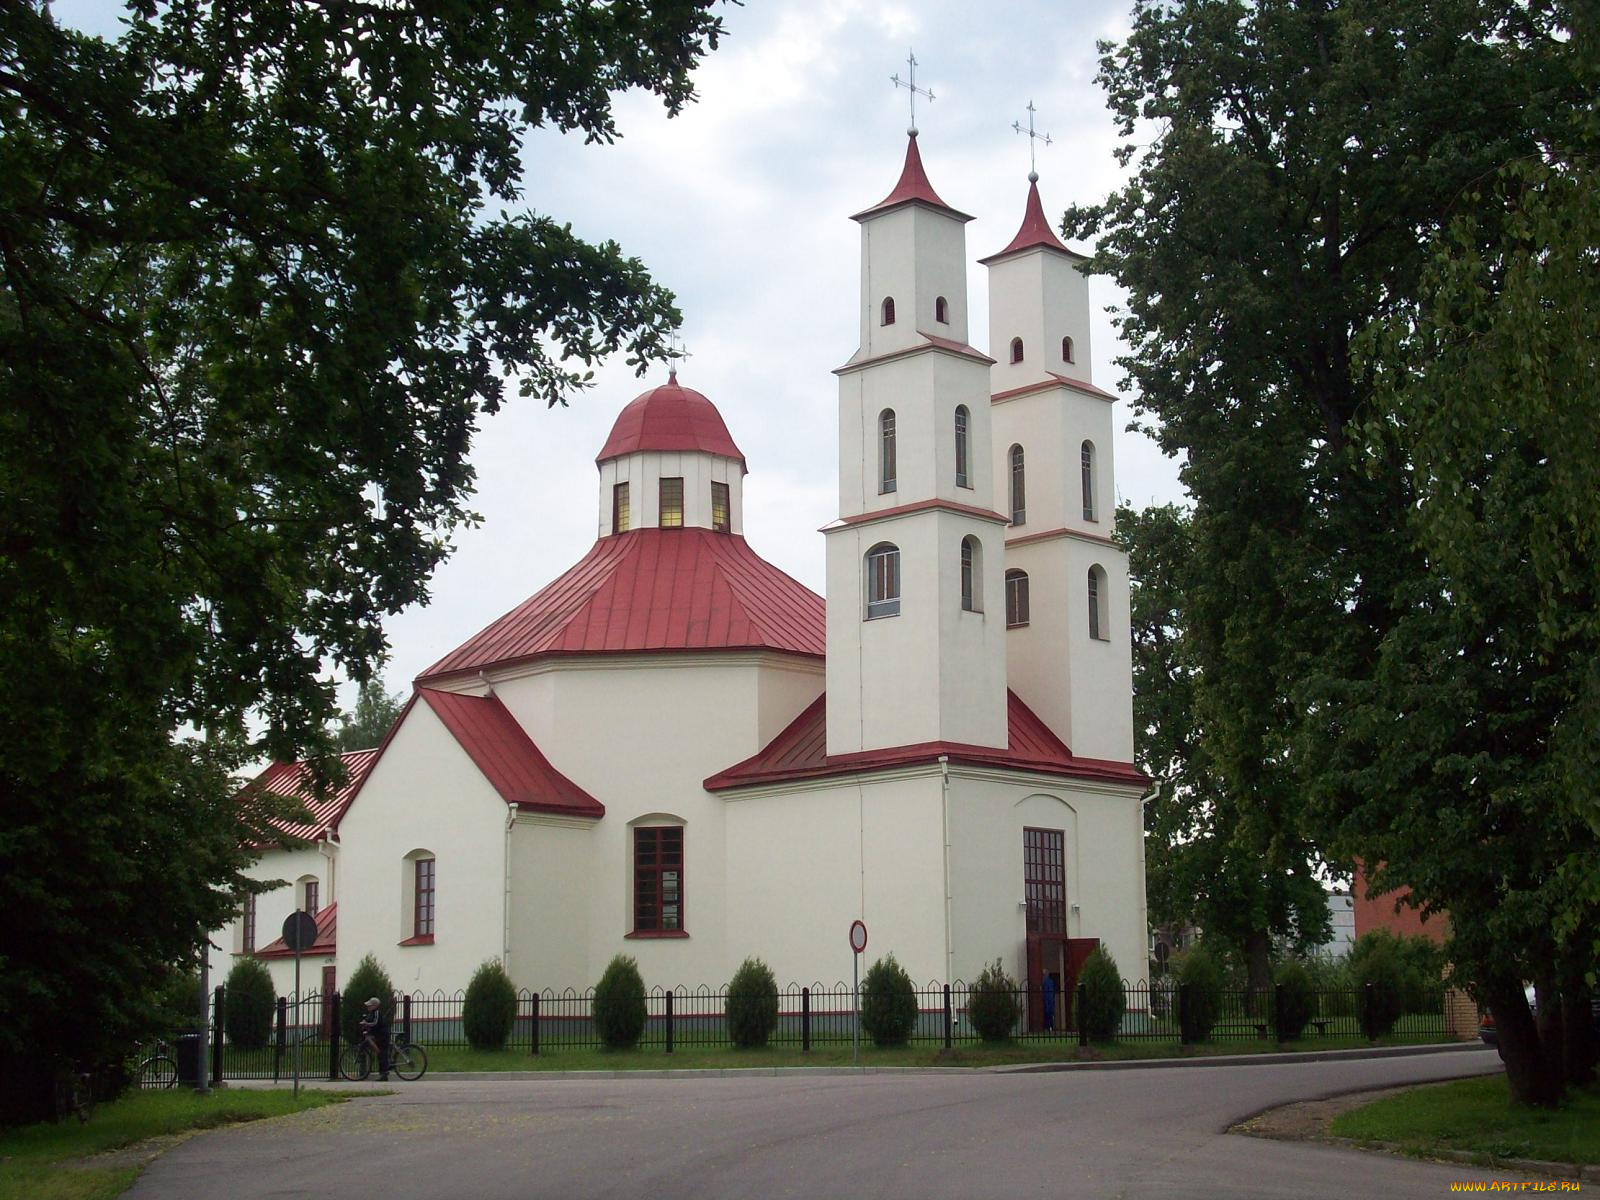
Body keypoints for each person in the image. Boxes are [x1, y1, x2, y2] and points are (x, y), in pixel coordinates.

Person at [359, 996, 390, 1081]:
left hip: (382, 1035)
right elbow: (371, 1024)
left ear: (375, 1006)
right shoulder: (371, 1014)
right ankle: (383, 1073)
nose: (368, 1007)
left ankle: (384, 1074)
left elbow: (375, 1023)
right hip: (378, 1035)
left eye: (370, 1005)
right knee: (379, 1053)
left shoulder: (376, 1013)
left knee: (382, 1053)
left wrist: (367, 1024)